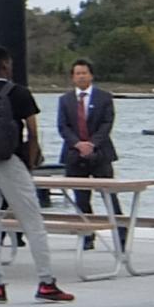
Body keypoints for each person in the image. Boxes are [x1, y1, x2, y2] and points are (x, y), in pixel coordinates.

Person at [0, 45, 70, 303]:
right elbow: (32, 132)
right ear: (6, 65)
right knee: (32, 222)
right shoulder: (19, 93)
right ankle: (46, 282)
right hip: (10, 162)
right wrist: (29, 163)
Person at [55, 60, 116, 251]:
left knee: (110, 195)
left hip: (100, 153)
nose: (81, 76)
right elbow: (63, 126)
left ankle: (121, 234)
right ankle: (87, 235)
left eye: (84, 73)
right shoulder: (65, 100)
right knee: (81, 198)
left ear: (91, 75)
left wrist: (92, 144)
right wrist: (78, 144)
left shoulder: (104, 97)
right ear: (73, 77)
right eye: (77, 73)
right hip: (74, 154)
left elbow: (107, 123)